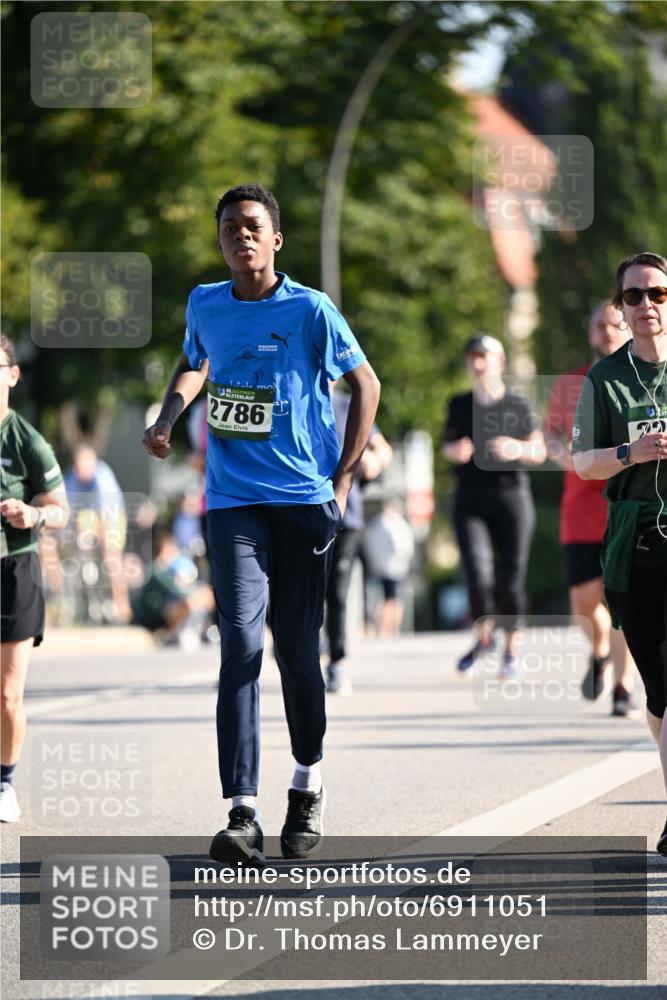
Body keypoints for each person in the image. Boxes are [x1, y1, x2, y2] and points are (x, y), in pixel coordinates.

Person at [142, 183, 380, 863]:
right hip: (232, 501)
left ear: (275, 239)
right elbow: (194, 362)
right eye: (228, 228)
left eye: (252, 226)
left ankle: (305, 784)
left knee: (297, 656)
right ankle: (240, 809)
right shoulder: (205, 303)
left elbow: (366, 384)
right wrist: (167, 418)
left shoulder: (310, 309)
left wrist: (340, 474)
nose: (239, 236)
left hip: (303, 501)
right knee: (240, 646)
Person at [572, 251, 667, 857]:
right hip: (637, 545)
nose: (647, 306)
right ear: (620, 307)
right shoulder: (605, 379)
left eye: (658, 293)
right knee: (661, 694)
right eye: (633, 296)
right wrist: (633, 451)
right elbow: (585, 462)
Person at [545, 303, 638, 716]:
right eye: (600, 325)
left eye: (616, 324)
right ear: (591, 335)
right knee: (585, 606)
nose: (608, 331)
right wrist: (559, 455)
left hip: (630, 508)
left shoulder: (641, 381)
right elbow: (548, 436)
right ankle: (599, 652)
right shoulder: (570, 384)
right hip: (580, 511)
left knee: (627, 604)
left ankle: (621, 689)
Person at [441, 334, 546, 678]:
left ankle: (511, 651)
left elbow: (539, 450)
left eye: (484, 355)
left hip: (511, 498)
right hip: (470, 499)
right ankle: (484, 639)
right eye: (472, 356)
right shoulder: (458, 403)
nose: (478, 362)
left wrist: (516, 448)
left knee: (511, 577)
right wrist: (454, 452)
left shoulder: (517, 405)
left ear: (500, 362)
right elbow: (446, 445)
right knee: (477, 572)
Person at [0, 334, 69, 822]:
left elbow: (62, 510)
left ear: (12, 374)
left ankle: (4, 782)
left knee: (7, 692)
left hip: (15, 569)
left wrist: (33, 514)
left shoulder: (27, 439)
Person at [324, 384, 392, 694]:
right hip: (299, 512)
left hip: (346, 515)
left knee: (337, 590)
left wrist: (375, 461)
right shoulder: (296, 400)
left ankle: (336, 661)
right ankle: (305, 655)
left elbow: (382, 449)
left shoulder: (350, 405)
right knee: (302, 588)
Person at [63, 443, 131, 623]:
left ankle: (121, 605)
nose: (78, 471)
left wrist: (101, 538)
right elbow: (69, 510)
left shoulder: (102, 475)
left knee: (112, 558)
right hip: (89, 516)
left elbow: (108, 512)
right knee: (79, 549)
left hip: (112, 514)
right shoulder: (73, 477)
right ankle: (88, 599)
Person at [130, 526, 215, 651]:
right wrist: (198, 594)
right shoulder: (156, 570)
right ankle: (171, 634)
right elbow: (177, 590)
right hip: (150, 616)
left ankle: (202, 630)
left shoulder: (167, 569)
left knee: (205, 596)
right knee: (189, 603)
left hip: (162, 610)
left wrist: (202, 592)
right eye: (172, 550)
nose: (175, 554)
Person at [363, 500, 415, 636]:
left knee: (385, 598)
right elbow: (403, 547)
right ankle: (391, 628)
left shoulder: (376, 525)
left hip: (379, 566)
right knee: (393, 599)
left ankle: (382, 627)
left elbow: (369, 544)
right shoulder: (397, 525)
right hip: (396, 567)